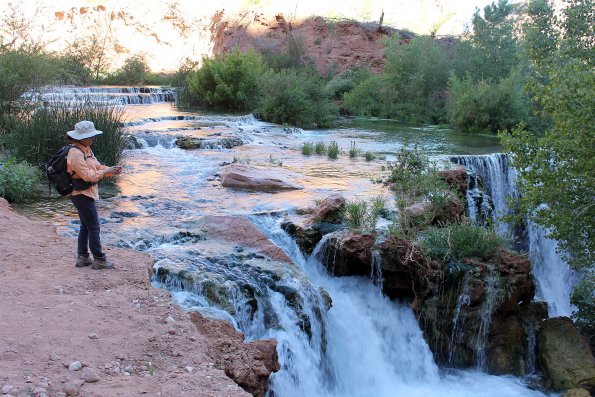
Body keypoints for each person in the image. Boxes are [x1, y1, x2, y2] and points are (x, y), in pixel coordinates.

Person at [66, 120, 122, 269]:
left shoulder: (87, 150)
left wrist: (110, 169)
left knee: (86, 225)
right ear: (81, 137)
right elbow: (88, 176)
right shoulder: (75, 154)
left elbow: (97, 167)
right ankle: (99, 260)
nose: (92, 139)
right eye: (90, 136)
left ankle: (83, 257)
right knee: (94, 227)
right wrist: (104, 172)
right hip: (80, 194)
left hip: (87, 192)